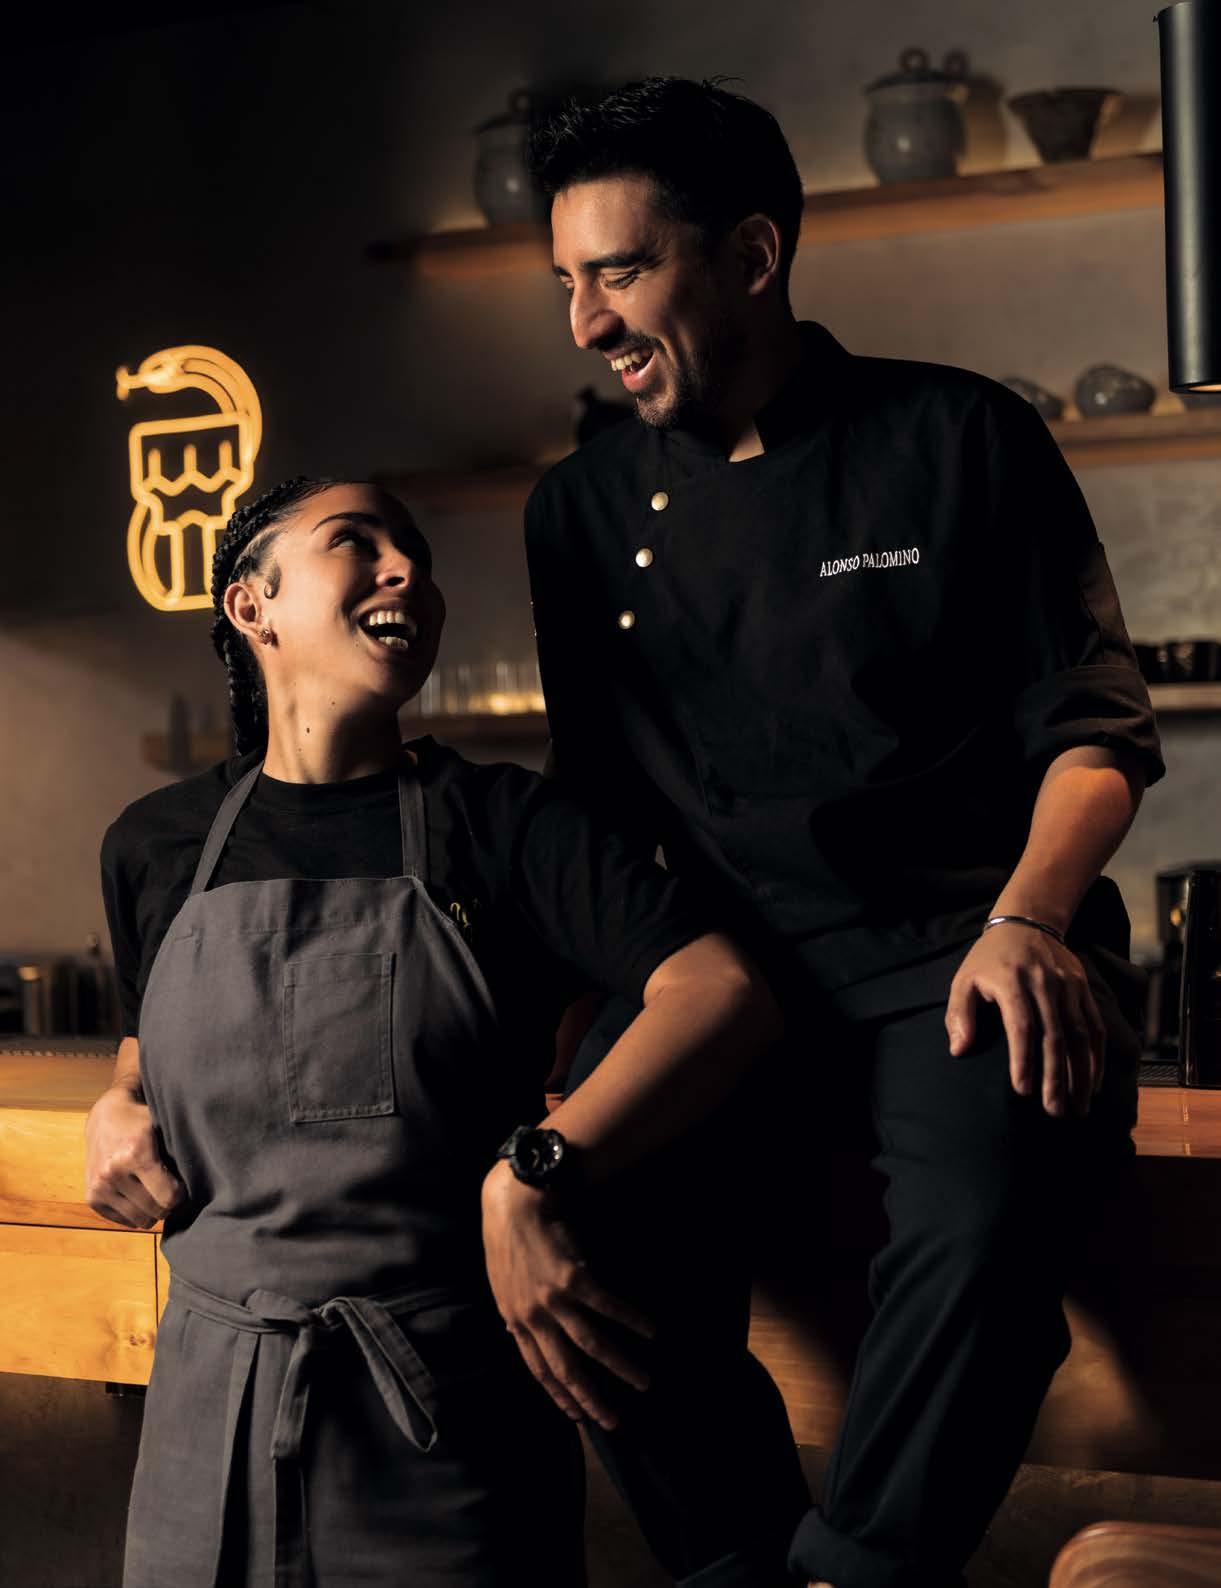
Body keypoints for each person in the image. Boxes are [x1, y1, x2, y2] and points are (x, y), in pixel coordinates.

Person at [521, 78, 1165, 1588]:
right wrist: (555, 1057)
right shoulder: (578, 511)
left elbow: (1093, 732)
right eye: (566, 282)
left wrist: (1030, 921)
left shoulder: (960, 436)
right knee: (587, 1232)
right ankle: (742, 1564)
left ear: (752, 256)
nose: (586, 322)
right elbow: (593, 809)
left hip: (961, 945)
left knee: (985, 1224)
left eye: (620, 272)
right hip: (728, 983)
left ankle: (855, 1573)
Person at [84, 474, 787, 1588]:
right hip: (207, 1426)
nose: (406, 569)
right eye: (354, 542)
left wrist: (535, 1171)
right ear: (252, 606)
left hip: (443, 1426)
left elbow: (720, 989)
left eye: (414, 551)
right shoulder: (154, 844)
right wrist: (117, 1101)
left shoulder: (509, 826)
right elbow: (148, 1042)